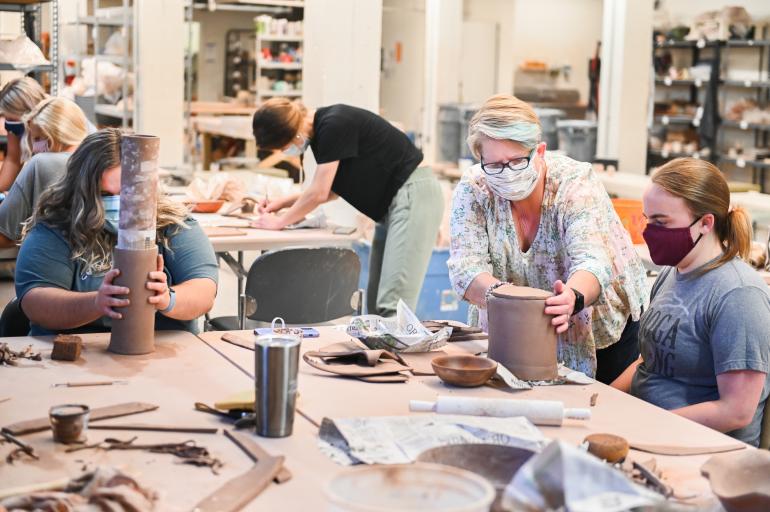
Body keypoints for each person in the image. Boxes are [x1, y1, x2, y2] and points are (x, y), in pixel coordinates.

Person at [447, 94, 648, 381]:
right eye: (494, 165)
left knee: (595, 411)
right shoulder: (476, 188)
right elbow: (465, 268)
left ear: (539, 151)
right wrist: (510, 300)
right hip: (517, 328)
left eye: (517, 161)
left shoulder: (575, 184)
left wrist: (573, 297)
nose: (506, 173)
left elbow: (593, 261)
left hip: (600, 328)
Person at [612, 158, 770, 447]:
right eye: (648, 219)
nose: (650, 231)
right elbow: (651, 361)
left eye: (661, 222)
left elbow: (736, 411)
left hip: (703, 449)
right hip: (647, 430)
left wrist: (646, 427)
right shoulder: (673, 272)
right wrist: (606, 401)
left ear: (705, 223)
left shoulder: (739, 294)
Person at [15, 128, 219, 335]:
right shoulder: (56, 227)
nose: (117, 203)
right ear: (81, 189)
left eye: (127, 192)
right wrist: (95, 303)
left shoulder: (172, 224)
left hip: (163, 348)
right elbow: (34, 300)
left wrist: (167, 299)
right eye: (103, 194)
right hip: (78, 349)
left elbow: (204, 290)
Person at [251, 98, 443, 317]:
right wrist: (282, 203)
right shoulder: (323, 134)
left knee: (393, 305)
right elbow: (332, 189)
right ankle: (381, 349)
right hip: (394, 204)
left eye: (283, 147)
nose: (287, 151)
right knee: (375, 305)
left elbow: (319, 192)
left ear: (292, 134)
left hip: (413, 195)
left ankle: (395, 350)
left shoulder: (334, 124)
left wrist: (279, 222)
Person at [0, 97, 89, 248]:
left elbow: (4, 235)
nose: (34, 147)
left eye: (37, 138)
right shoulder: (94, 160)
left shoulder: (40, 163)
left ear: (53, 134)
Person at [0, 77, 47, 192]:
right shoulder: (15, 125)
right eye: (7, 118)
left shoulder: (51, 121)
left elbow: (49, 167)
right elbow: (13, 159)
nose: (10, 122)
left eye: (13, 118)